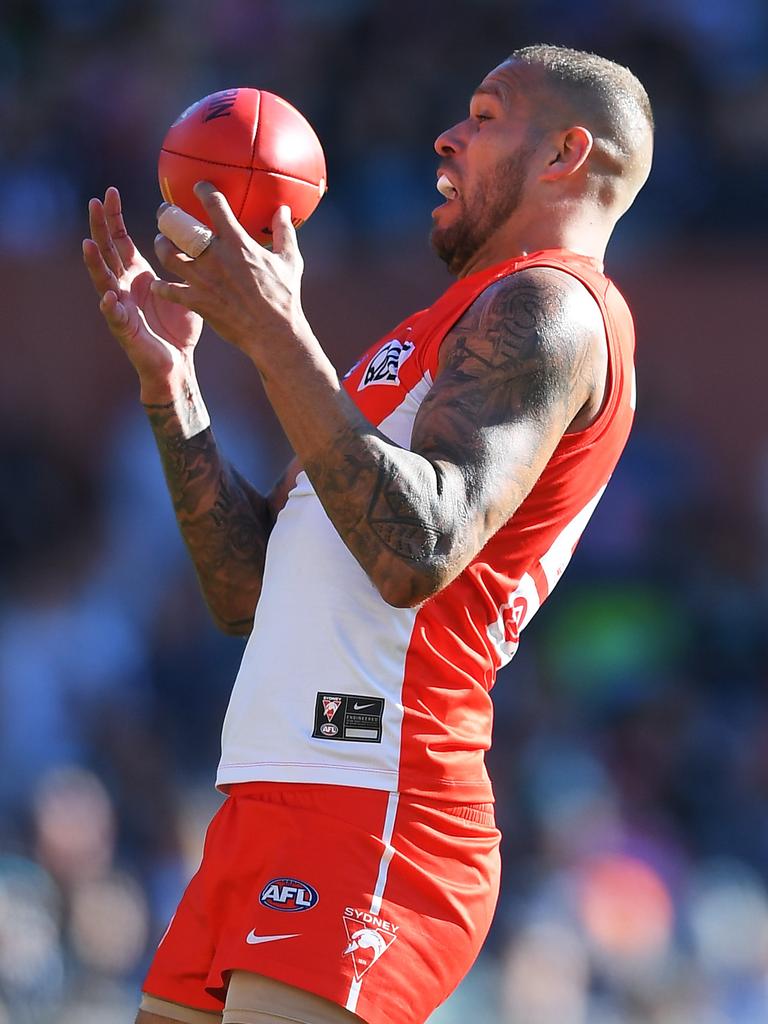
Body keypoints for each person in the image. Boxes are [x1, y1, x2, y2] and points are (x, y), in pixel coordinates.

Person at [83, 43, 653, 1024]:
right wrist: (175, 387)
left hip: (377, 799)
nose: (448, 134)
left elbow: (416, 550)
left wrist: (273, 332)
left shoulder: (553, 305)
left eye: (484, 113)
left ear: (566, 152)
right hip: (274, 797)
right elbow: (246, 594)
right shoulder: (435, 330)